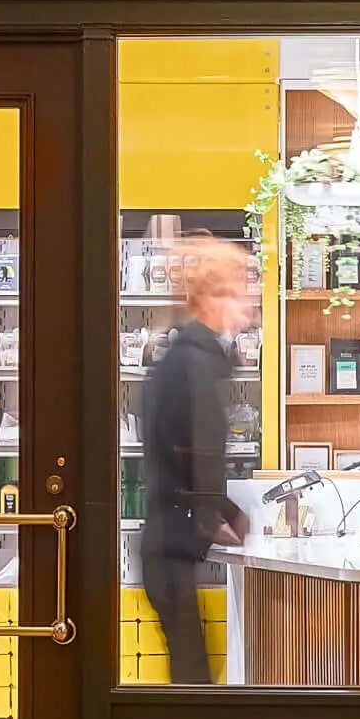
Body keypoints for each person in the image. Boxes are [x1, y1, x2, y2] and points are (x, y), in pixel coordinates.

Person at [139, 236, 253, 683]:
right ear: (209, 297)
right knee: (192, 682)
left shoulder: (192, 357)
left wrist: (222, 511)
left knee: (190, 676)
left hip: (168, 544)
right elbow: (197, 452)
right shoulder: (195, 363)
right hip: (170, 547)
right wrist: (214, 515)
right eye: (238, 291)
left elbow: (190, 451)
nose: (247, 304)